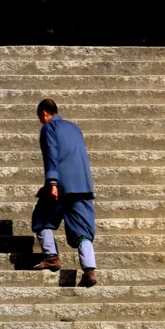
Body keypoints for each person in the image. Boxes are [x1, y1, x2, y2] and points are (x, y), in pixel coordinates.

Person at [32, 98, 98, 287]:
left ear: (44, 113)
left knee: (42, 219)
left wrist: (52, 182)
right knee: (83, 230)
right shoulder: (74, 128)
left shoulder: (49, 128)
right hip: (82, 185)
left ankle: (51, 256)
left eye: (40, 117)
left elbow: (51, 155)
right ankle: (89, 270)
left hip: (61, 185)